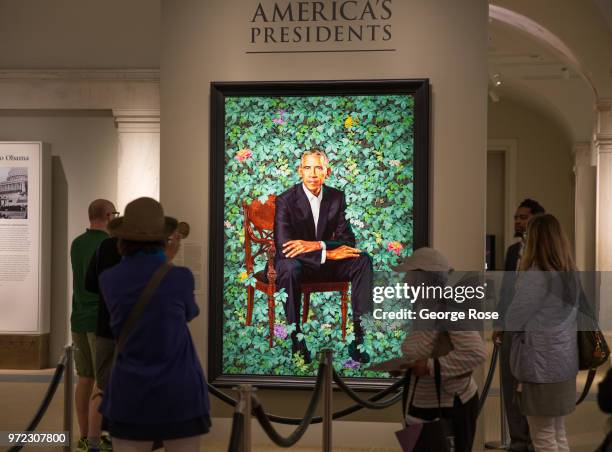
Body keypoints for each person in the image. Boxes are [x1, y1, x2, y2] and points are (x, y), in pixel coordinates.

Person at [98, 197, 210, 452]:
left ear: (122, 239)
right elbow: (189, 313)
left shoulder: (109, 279)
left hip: (130, 390)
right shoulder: (180, 277)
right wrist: (166, 260)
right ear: (163, 239)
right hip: (179, 389)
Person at [274, 149, 373, 363]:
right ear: (300, 171)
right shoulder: (285, 200)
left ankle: (359, 339)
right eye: (307, 168)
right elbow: (284, 247)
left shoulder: (337, 197)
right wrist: (327, 253)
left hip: (325, 262)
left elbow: (347, 241)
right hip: (297, 265)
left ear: (326, 172)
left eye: (318, 168)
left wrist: (317, 246)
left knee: (362, 260)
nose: (312, 173)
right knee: (288, 266)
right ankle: (297, 342)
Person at [396, 247, 487, 452]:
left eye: (408, 276)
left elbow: (476, 353)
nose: (404, 282)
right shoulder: (422, 308)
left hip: (448, 406)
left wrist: (428, 366)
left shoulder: (449, 310)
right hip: (422, 404)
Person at [506, 214, 579, 452]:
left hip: (539, 368)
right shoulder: (570, 274)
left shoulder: (536, 276)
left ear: (536, 240)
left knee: (543, 438)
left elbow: (513, 319)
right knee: (558, 435)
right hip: (564, 364)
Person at [494, 198, 545, 452]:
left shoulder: (545, 253)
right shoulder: (512, 251)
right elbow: (506, 289)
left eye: (523, 217)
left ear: (537, 219)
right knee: (509, 385)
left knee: (532, 388)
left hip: (536, 333)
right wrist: (499, 323)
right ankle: (518, 441)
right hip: (511, 328)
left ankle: (535, 440)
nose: (517, 221)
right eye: (516, 217)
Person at [70, 199, 118, 452]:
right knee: (102, 383)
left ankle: (84, 434)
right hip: (98, 321)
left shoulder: (77, 243)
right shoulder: (106, 245)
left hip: (77, 316)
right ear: (109, 216)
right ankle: (95, 439)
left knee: (84, 379)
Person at [85, 234, 122, 452]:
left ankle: (93, 442)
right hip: (128, 331)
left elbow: (89, 284)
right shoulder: (137, 252)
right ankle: (120, 441)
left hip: (103, 326)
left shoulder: (103, 247)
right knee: (126, 387)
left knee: (101, 387)